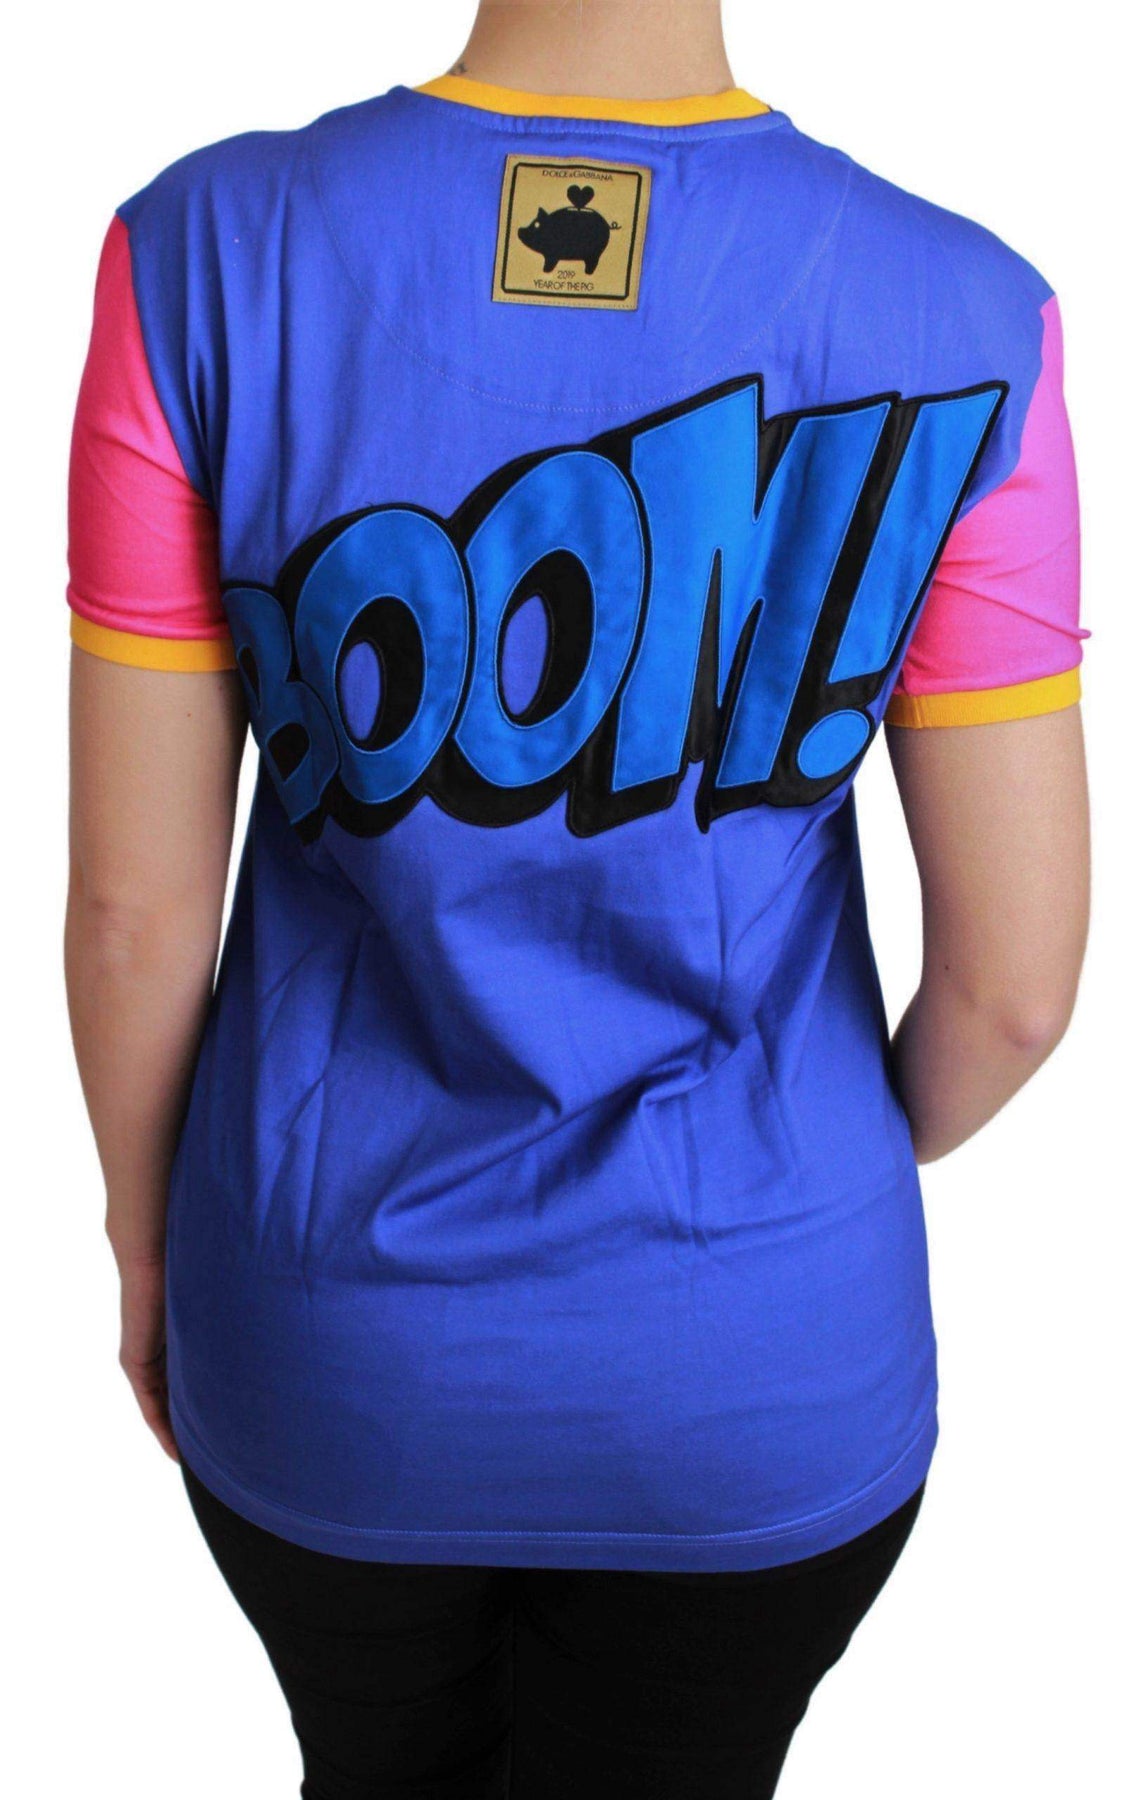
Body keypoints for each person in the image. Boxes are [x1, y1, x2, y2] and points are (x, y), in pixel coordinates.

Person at [64, 1, 1090, 1794]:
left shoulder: (198, 256)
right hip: (760, 1376)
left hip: (326, 1346)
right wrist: (825, 1174)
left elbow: (133, 917)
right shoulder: (968, 309)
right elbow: (1014, 992)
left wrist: (148, 1251)